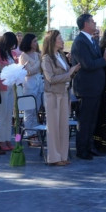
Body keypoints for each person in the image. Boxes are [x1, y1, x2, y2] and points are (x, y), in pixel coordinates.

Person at [71, 14, 106, 160]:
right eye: (92, 21)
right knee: (85, 120)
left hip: (95, 87)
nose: (95, 23)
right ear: (86, 24)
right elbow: (87, 64)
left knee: (92, 120)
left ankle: (90, 146)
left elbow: (97, 60)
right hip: (86, 88)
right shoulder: (80, 42)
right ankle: (82, 149)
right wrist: (105, 59)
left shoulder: (91, 40)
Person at [41, 30, 80, 165]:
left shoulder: (61, 56)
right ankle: (54, 157)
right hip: (52, 95)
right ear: (52, 41)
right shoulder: (46, 58)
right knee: (53, 127)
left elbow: (66, 75)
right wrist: (69, 73)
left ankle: (63, 156)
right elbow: (50, 78)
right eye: (60, 38)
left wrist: (73, 71)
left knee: (63, 126)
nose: (62, 40)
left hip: (63, 93)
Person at [0, 32, 18, 151]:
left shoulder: (11, 53)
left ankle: (8, 138)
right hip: (2, 86)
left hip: (11, 86)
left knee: (9, 114)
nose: (13, 46)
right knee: (2, 114)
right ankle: (1, 140)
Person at [18, 33, 44, 145]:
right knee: (29, 111)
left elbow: (39, 69)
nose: (36, 43)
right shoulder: (23, 56)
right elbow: (29, 71)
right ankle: (30, 135)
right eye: (34, 41)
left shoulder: (38, 54)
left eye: (36, 41)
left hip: (39, 83)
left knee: (36, 110)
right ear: (28, 42)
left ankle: (35, 132)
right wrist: (40, 61)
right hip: (29, 84)